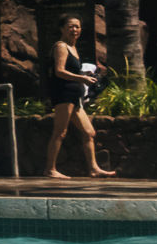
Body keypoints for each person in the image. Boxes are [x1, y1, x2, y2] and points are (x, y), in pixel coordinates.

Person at [44, 15, 114, 178]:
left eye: (77, 27)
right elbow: (59, 71)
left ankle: (93, 169)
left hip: (75, 96)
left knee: (89, 133)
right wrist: (81, 78)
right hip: (63, 94)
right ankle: (50, 169)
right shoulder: (61, 46)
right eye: (70, 26)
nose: (74, 30)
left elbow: (71, 70)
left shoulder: (73, 47)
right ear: (62, 29)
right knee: (60, 132)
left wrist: (84, 76)